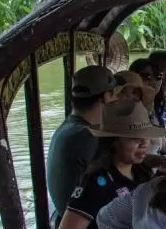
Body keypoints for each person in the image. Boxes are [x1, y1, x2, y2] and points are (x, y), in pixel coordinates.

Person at [54, 100, 163, 229]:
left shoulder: (142, 171)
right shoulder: (98, 182)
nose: (145, 143)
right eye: (135, 138)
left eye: (146, 136)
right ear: (113, 141)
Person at [47, 65, 117, 216]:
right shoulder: (87, 135)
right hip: (83, 225)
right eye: (114, 94)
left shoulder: (68, 127)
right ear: (106, 96)